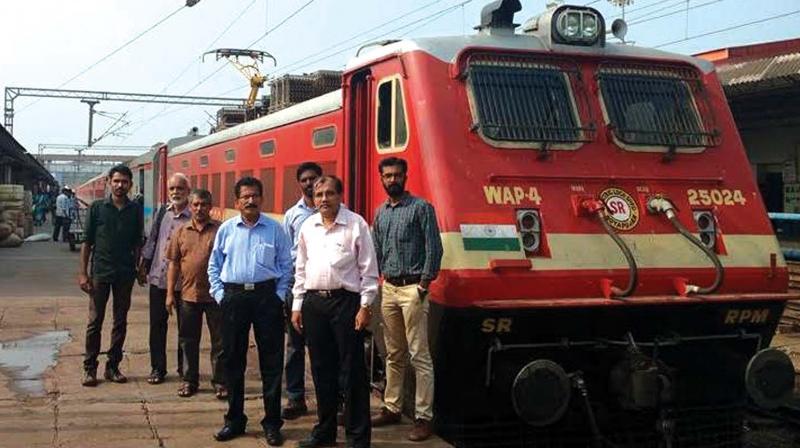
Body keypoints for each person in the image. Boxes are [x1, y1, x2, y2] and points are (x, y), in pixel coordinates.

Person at [291, 175, 379, 448]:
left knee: (352, 371)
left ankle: (358, 437)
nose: (324, 199)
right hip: (314, 305)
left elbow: (369, 270)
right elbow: (301, 269)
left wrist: (365, 306)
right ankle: (325, 430)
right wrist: (297, 305)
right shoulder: (308, 226)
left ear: (340, 196)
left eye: (329, 193)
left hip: (347, 304)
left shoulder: (356, 224)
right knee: (320, 369)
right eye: (319, 195)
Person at [208, 176, 292, 446]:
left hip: (267, 298)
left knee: (271, 362)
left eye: (255, 195)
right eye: (245, 196)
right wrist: (221, 296)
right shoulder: (227, 230)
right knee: (233, 360)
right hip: (234, 298)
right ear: (237, 201)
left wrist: (278, 296)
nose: (250, 200)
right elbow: (214, 266)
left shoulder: (275, 230)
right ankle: (234, 420)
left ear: (261, 198)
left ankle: (271, 423)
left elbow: (286, 266)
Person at [370, 157, 443, 441]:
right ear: (382, 179)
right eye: (387, 176)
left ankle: (424, 417)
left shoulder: (422, 208)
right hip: (388, 288)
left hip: (413, 289)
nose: (392, 180)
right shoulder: (381, 213)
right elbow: (376, 251)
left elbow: (433, 248)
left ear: (406, 176)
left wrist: (424, 285)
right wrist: (377, 281)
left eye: (397, 175)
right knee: (393, 353)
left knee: (419, 355)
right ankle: (392, 407)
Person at [78, 165, 143, 387]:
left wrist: (138, 268)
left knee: (120, 321)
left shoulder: (135, 209)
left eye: (124, 182)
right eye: (116, 181)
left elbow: (137, 243)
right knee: (95, 321)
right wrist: (83, 274)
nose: (120, 185)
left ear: (130, 184)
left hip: (125, 274)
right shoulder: (97, 208)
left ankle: (113, 366)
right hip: (100, 273)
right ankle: (89, 368)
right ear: (108, 182)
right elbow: (87, 242)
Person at [166, 189, 226, 399]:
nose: (199, 208)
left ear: (211, 206)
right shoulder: (181, 232)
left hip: (215, 297)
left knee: (219, 341)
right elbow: (173, 264)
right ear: (190, 207)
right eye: (196, 204)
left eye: (204, 204)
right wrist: (170, 294)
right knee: (188, 340)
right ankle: (189, 381)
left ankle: (220, 381)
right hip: (188, 296)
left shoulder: (221, 230)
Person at [139, 173, 192, 385]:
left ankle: (184, 369)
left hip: (184, 282)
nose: (175, 192)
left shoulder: (193, 215)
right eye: (172, 189)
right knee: (157, 326)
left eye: (180, 188)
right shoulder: (163, 212)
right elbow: (152, 239)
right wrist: (144, 264)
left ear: (188, 191)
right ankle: (157, 368)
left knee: (185, 328)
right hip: (159, 278)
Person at [281, 161, 322, 420]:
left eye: (313, 179)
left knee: (323, 347)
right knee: (295, 346)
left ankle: (331, 399)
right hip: (298, 286)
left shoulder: (337, 212)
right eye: (305, 179)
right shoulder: (291, 215)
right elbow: (286, 255)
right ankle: (296, 398)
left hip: (323, 288)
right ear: (300, 183)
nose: (309, 183)